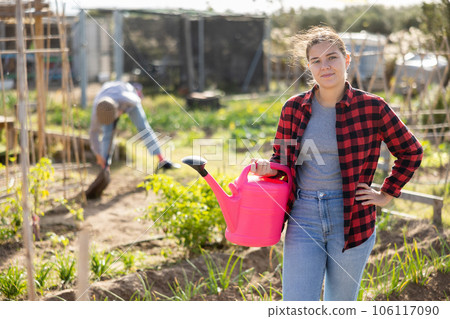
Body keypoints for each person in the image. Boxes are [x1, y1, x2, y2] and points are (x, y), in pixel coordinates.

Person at [251, 26, 423, 301]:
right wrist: (269, 168)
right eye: (316, 61)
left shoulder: (373, 107)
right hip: (304, 215)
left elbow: (411, 151)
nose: (325, 66)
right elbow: (281, 161)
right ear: (309, 67)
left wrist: (387, 193)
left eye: (332, 57)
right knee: (297, 305)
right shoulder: (293, 108)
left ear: (347, 59)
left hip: (352, 217)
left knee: (340, 306)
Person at [89, 81, 180, 171]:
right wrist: (98, 154)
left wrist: (122, 110)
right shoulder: (97, 112)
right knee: (107, 135)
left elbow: (138, 100)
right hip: (109, 102)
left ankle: (162, 160)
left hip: (128, 101)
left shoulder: (128, 99)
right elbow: (93, 133)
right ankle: (105, 168)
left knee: (143, 128)